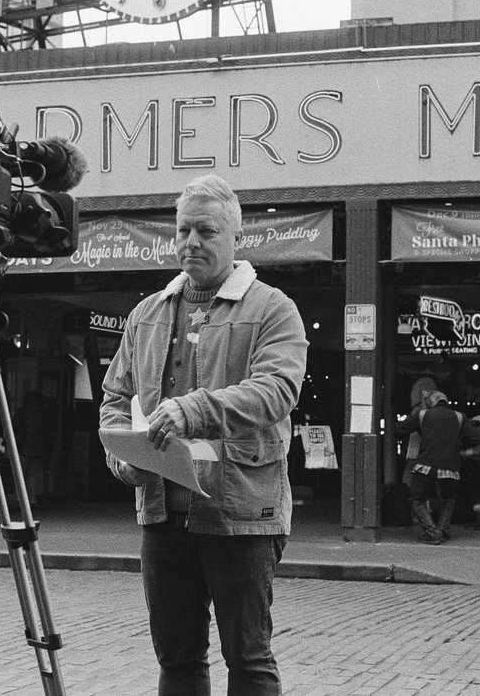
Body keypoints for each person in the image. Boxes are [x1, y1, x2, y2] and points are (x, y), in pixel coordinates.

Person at [100, 174, 308, 696]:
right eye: (184, 230)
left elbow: (277, 390)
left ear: (237, 238)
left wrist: (193, 409)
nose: (191, 242)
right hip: (162, 510)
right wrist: (120, 452)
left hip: (241, 512)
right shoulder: (146, 314)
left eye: (207, 231)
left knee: (249, 660)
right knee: (177, 659)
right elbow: (115, 399)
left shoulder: (273, 308)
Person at [406, 391, 477, 545]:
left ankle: (432, 532)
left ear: (432, 401)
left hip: (426, 465)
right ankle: (443, 531)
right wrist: (461, 449)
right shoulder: (459, 417)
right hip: (450, 467)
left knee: (416, 499)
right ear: (445, 400)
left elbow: (399, 428)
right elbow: (476, 438)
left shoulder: (423, 415)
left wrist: (421, 430)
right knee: (449, 498)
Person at [13, 390, 51, 506]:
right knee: (32, 475)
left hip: (24, 446)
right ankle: (32, 499)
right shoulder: (43, 414)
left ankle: (20, 500)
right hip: (39, 447)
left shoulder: (22, 412)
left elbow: (14, 428)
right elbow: (47, 432)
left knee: (20, 474)